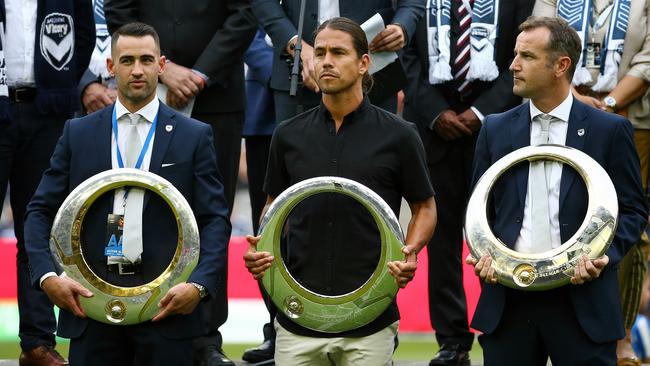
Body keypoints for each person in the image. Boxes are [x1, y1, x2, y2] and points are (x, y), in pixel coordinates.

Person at [23, 22, 232, 366]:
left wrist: (199, 286)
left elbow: (213, 220)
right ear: (110, 67)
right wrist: (48, 278)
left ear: (161, 66)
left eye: (147, 60)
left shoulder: (194, 136)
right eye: (127, 60)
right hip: (90, 306)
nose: (137, 70)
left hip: (166, 308)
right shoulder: (78, 132)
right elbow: (39, 212)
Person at [243, 17, 437, 365]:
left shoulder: (400, 134)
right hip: (296, 317)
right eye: (319, 53)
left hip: (371, 317)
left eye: (338, 52)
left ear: (364, 63)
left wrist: (410, 250)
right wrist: (263, 246)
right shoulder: (287, 135)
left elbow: (424, 206)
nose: (326, 61)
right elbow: (273, 207)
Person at [467, 16, 648, 365]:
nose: (513, 65)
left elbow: (633, 211)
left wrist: (603, 257)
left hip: (582, 303)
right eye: (516, 54)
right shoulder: (495, 129)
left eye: (527, 57)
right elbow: (479, 208)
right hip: (509, 302)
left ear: (561, 65)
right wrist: (481, 253)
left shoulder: (609, 130)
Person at [103, 3, 257, 365]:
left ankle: (206, 336)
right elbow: (117, 8)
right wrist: (163, 68)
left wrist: (201, 73)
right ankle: (128, 315)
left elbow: (245, 13)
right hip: (147, 88)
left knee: (211, 214)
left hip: (217, 96)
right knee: (132, 203)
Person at [401, 1, 535, 364]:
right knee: (440, 244)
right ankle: (453, 342)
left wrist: (481, 113)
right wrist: (434, 112)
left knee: (501, 235)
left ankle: (503, 329)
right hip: (432, 131)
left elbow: (524, 54)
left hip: (498, 127)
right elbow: (406, 56)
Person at [532, 2, 650, 364]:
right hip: (563, 110)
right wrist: (575, 100)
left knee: (626, 224)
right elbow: (542, 34)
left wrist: (610, 103)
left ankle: (620, 333)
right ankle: (552, 324)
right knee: (561, 211)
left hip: (633, 118)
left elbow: (648, 57)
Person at [0, 0, 94, 364]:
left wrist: (61, 83)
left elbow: (83, 35)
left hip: (47, 112)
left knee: (37, 231)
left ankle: (37, 343)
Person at [240, 29, 277, 363]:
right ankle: (277, 328)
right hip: (267, 117)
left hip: (333, 107)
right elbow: (249, 36)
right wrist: (292, 70)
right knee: (266, 230)